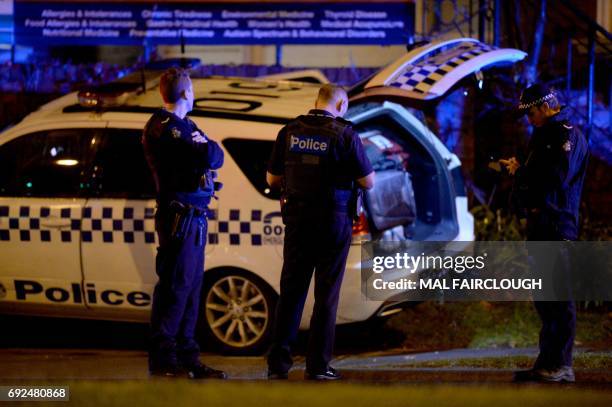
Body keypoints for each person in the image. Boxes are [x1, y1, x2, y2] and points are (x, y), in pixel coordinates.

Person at [266, 84, 375, 380]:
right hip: (332, 221)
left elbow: (273, 178)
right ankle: (317, 367)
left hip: (298, 221)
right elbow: (369, 182)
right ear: (340, 105)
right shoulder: (345, 135)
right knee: (326, 295)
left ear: (318, 101)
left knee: (291, 293)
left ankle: (278, 366)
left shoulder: (289, 131)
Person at [500, 84, 589, 383]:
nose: (529, 119)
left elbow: (556, 179)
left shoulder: (566, 134)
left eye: (531, 113)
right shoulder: (545, 135)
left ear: (544, 107)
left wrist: (520, 173)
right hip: (541, 225)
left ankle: (562, 364)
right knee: (545, 298)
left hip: (556, 225)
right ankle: (547, 362)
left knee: (558, 298)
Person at [142, 67, 226, 379]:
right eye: (192, 88)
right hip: (179, 218)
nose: (195, 93)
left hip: (194, 219)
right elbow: (211, 156)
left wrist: (206, 146)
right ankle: (164, 360)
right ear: (186, 93)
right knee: (175, 289)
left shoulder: (185, 124)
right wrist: (205, 146)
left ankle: (188, 357)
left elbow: (214, 154)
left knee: (190, 289)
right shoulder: (166, 128)